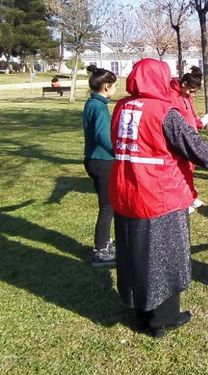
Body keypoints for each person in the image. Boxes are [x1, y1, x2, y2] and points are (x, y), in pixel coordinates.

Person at [109, 58, 208, 338]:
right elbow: (195, 147)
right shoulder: (164, 111)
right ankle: (162, 318)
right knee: (164, 256)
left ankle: (142, 310)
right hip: (159, 196)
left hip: (126, 193)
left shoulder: (121, 107)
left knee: (135, 254)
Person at [82, 65, 118, 267]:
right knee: (107, 207)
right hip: (102, 161)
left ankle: (105, 242)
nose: (114, 90)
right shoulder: (100, 107)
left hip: (92, 160)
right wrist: (118, 151)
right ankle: (101, 250)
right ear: (106, 86)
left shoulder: (91, 103)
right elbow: (102, 137)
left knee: (106, 205)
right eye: (113, 86)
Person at [169, 66, 205, 213]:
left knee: (190, 169)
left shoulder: (186, 96)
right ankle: (184, 202)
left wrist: (197, 121)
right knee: (182, 170)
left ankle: (191, 196)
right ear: (183, 84)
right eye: (190, 91)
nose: (191, 95)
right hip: (181, 137)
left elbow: (191, 111)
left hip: (191, 136)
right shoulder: (173, 96)